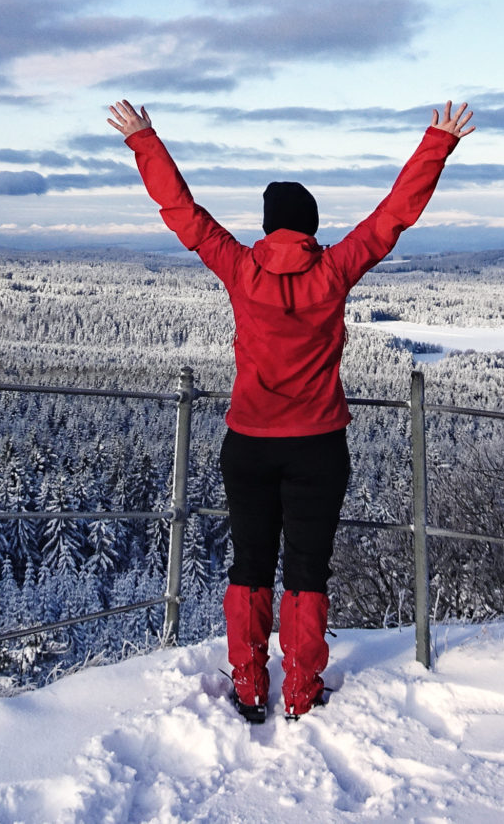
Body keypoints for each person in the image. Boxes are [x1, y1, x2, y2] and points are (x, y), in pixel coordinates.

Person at [106, 97, 475, 721]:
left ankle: (250, 683)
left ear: (270, 226)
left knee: (249, 560)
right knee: (307, 566)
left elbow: (185, 217)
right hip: (318, 445)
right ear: (308, 227)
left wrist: (144, 139)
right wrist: (437, 142)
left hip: (248, 442)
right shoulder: (332, 271)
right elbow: (392, 218)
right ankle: (301, 688)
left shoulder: (241, 269)